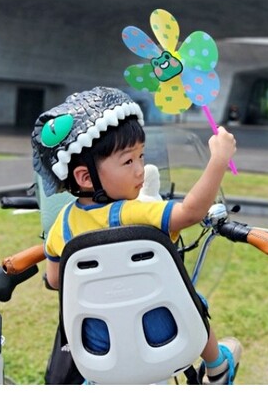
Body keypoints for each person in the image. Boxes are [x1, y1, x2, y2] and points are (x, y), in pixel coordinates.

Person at [32, 86, 240, 384]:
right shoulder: (136, 214)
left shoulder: (61, 227)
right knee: (193, 299)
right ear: (86, 177)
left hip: (98, 347)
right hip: (160, 337)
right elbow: (191, 212)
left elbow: (54, 280)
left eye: (141, 157)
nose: (141, 170)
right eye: (129, 161)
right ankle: (217, 366)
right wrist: (218, 160)